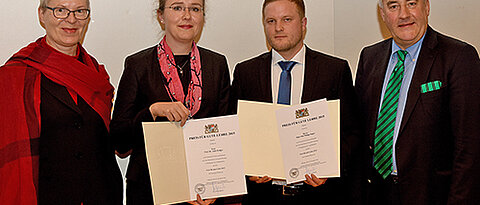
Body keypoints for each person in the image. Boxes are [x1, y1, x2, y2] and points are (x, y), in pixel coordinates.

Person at [230, 0, 360, 204]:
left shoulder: (334, 70)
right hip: (263, 196)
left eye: (287, 19)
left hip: (319, 195)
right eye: (271, 21)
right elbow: (235, 133)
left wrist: (331, 167)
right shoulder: (246, 72)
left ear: (303, 23)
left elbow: (352, 133)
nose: (278, 27)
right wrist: (247, 168)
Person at [354, 0, 480, 204]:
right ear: (383, 14)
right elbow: (359, 131)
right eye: (393, 6)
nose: (404, 14)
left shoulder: (459, 56)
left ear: (427, 7)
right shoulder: (369, 57)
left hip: (431, 196)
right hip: (376, 193)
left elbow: (470, 148)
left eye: (411, 3)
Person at [0, 0, 123, 204]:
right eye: (61, 10)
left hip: (101, 195)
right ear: (42, 15)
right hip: (45, 197)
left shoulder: (96, 75)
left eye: (80, 11)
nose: (72, 19)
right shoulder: (14, 77)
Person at [110, 0, 230, 204]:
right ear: (161, 16)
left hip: (202, 191)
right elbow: (119, 139)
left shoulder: (217, 64)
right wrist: (153, 111)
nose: (187, 15)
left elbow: (225, 133)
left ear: (202, 17)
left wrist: (216, 184)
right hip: (150, 190)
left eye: (195, 8)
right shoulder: (137, 65)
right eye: (177, 7)